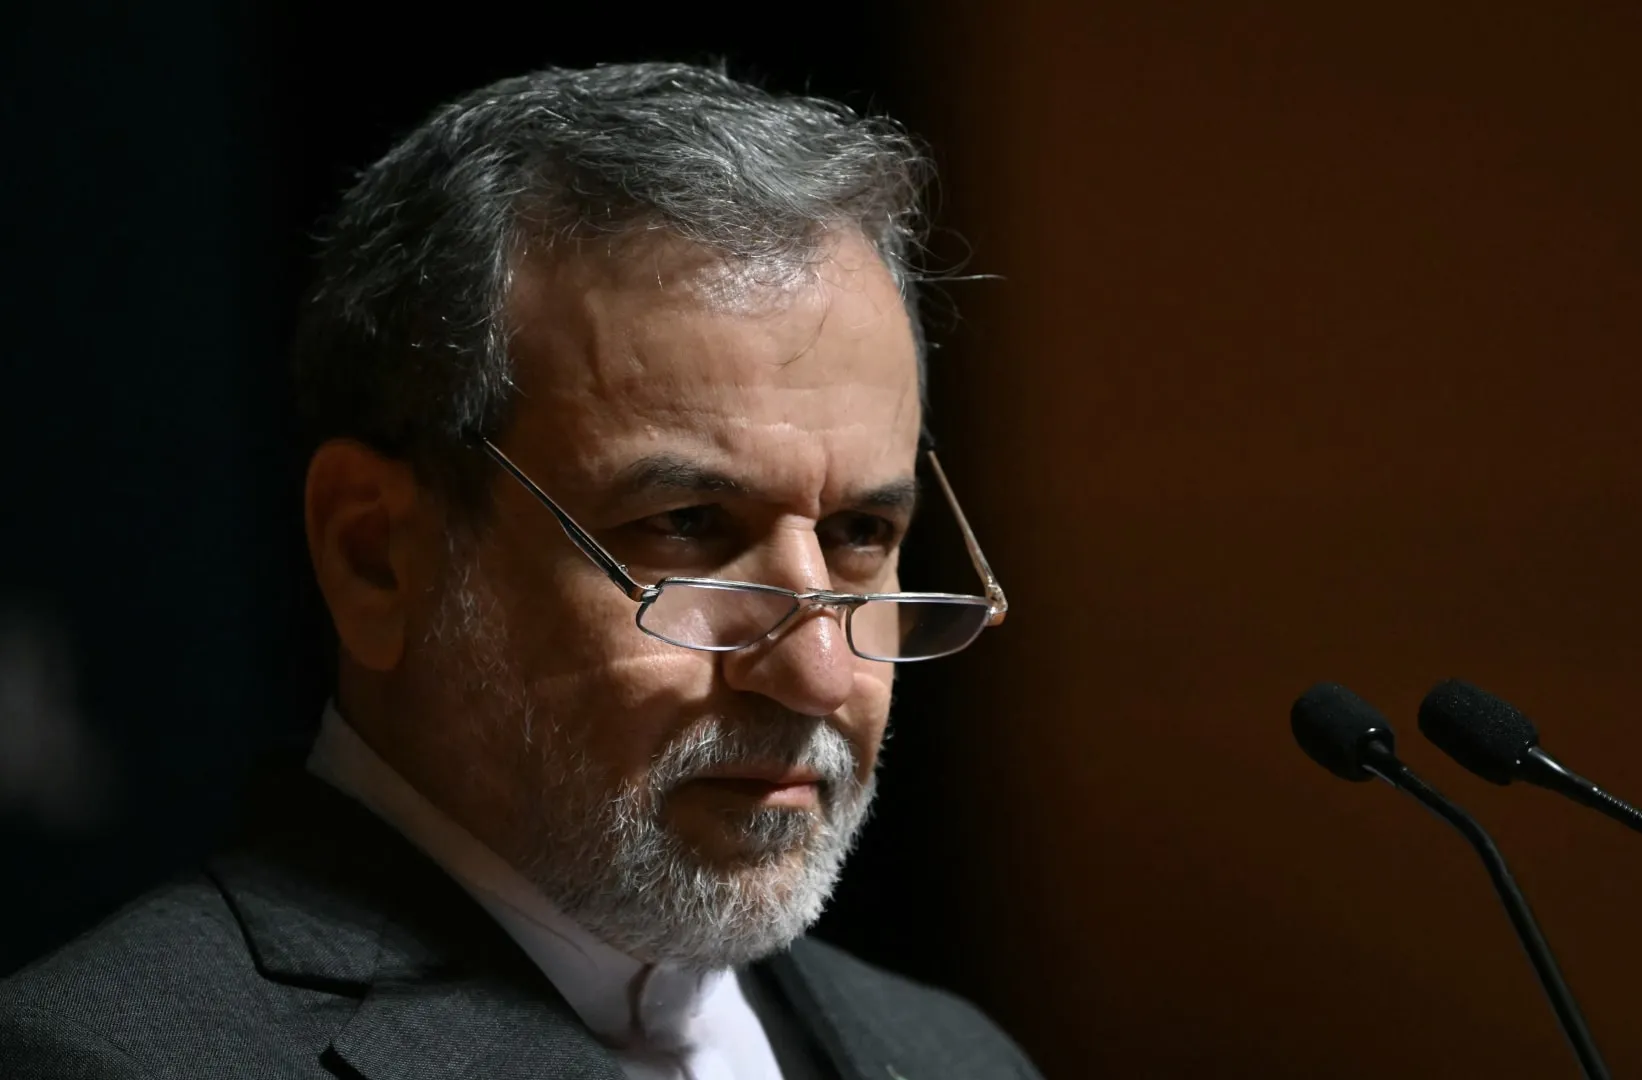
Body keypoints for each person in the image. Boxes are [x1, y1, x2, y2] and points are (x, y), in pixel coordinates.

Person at [0, 62, 1039, 1080]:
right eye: (685, 525)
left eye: (859, 533)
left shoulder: (961, 1057)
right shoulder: (100, 1060)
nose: (818, 673)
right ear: (375, 556)